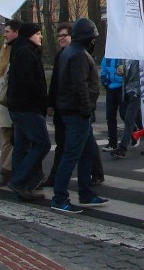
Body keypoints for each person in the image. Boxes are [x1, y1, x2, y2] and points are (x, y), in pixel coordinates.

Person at [51, 18, 109, 213]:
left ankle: (86, 192)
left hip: (72, 110)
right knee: (71, 155)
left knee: (84, 154)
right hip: (77, 112)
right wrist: (86, 109)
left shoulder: (70, 52)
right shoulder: (79, 55)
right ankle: (59, 197)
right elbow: (80, 85)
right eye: (93, 38)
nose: (94, 41)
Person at [6, 23, 50, 200]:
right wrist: (44, 99)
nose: (40, 37)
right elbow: (28, 80)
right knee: (42, 144)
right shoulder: (25, 51)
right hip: (27, 106)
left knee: (22, 145)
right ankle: (20, 181)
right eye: (38, 33)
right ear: (29, 35)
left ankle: (21, 186)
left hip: (19, 106)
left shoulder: (20, 49)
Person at [42, 22, 73, 187]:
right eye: (59, 36)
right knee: (66, 144)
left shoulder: (76, 54)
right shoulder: (60, 55)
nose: (61, 38)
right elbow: (55, 82)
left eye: (64, 35)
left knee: (70, 146)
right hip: (62, 107)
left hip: (72, 108)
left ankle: (57, 179)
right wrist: (51, 103)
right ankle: (94, 174)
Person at [0, 20, 20, 186]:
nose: (4, 34)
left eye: (7, 31)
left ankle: (6, 172)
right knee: (16, 140)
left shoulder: (5, 52)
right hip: (8, 104)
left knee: (7, 141)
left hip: (1, 104)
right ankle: (7, 169)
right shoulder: (13, 52)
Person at [110, 59, 141, 158]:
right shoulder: (123, 55)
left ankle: (122, 148)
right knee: (137, 119)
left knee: (129, 118)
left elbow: (141, 73)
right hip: (126, 90)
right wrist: (119, 71)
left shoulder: (140, 55)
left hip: (136, 91)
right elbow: (122, 71)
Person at [99, 56, 123, 151]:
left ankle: (133, 132)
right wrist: (105, 82)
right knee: (110, 116)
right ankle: (112, 142)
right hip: (110, 88)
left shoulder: (124, 53)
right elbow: (103, 69)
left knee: (124, 114)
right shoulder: (107, 55)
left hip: (122, 88)